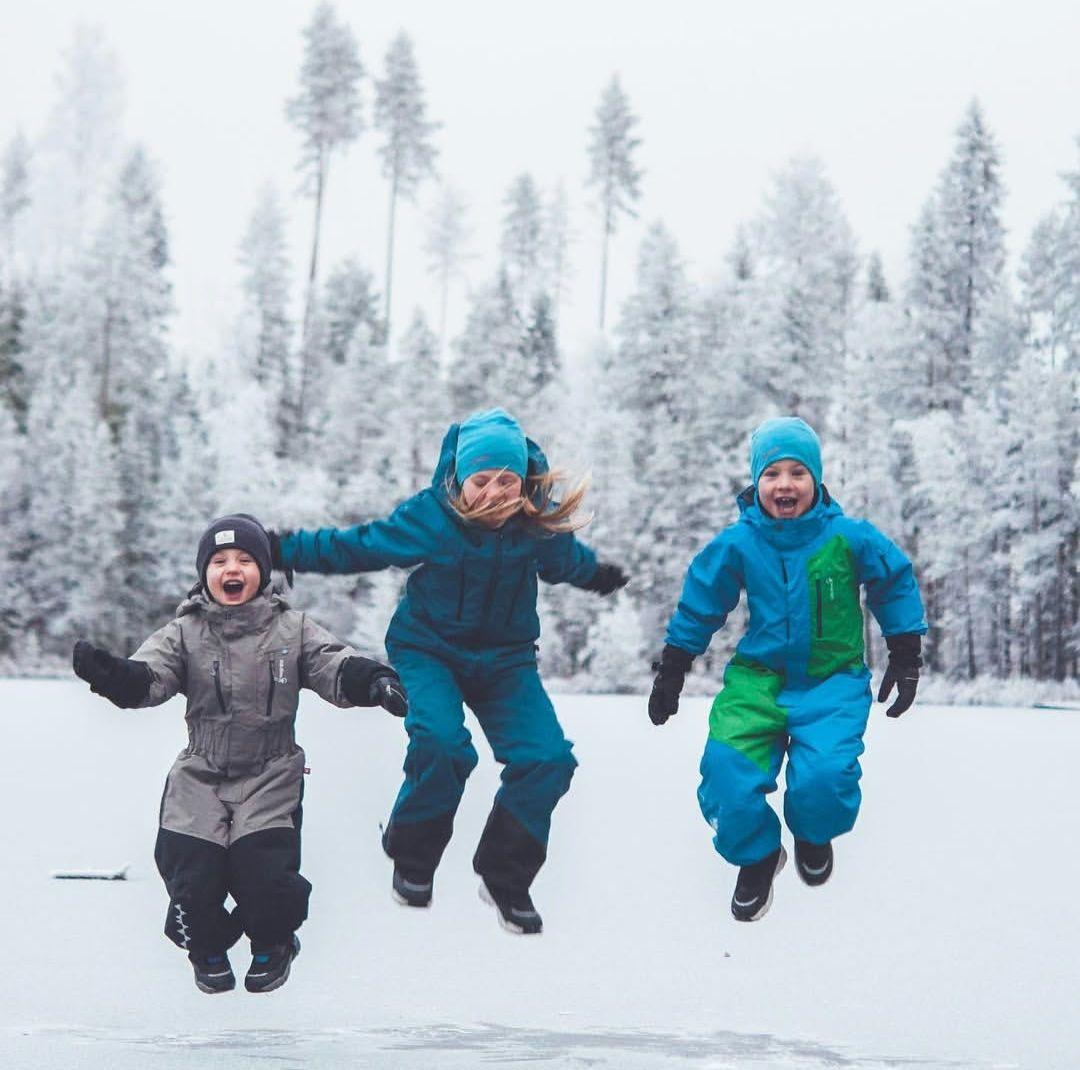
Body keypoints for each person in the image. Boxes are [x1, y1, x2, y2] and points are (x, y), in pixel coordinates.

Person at [271, 409, 628, 935]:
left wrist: (595, 575)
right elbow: (360, 545)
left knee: (548, 759)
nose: (495, 493)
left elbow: (566, 559)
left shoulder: (535, 527)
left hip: (506, 661)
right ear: (460, 482)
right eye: (481, 481)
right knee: (442, 741)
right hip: (428, 650)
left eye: (507, 481)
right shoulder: (431, 519)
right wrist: (283, 548)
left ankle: (506, 875)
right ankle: (412, 854)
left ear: (523, 483)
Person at [73, 514, 406, 993]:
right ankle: (206, 946)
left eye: (246, 559)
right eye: (221, 560)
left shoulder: (293, 629)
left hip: (270, 774)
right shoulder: (184, 632)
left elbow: (333, 663)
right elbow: (150, 676)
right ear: (205, 573)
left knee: (263, 876)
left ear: (264, 571)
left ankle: (274, 943)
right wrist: (114, 677)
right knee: (190, 878)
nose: (233, 568)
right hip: (201, 774)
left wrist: (373, 681)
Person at [648, 416, 926, 922]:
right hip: (759, 680)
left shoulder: (848, 537)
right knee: (725, 775)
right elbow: (701, 599)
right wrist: (673, 666)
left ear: (816, 480)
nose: (784, 484)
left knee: (823, 783)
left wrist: (905, 653)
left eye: (798, 472)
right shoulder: (740, 542)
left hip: (832, 684)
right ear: (756, 482)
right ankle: (758, 855)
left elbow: (894, 580)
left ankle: (813, 832)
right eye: (772, 473)